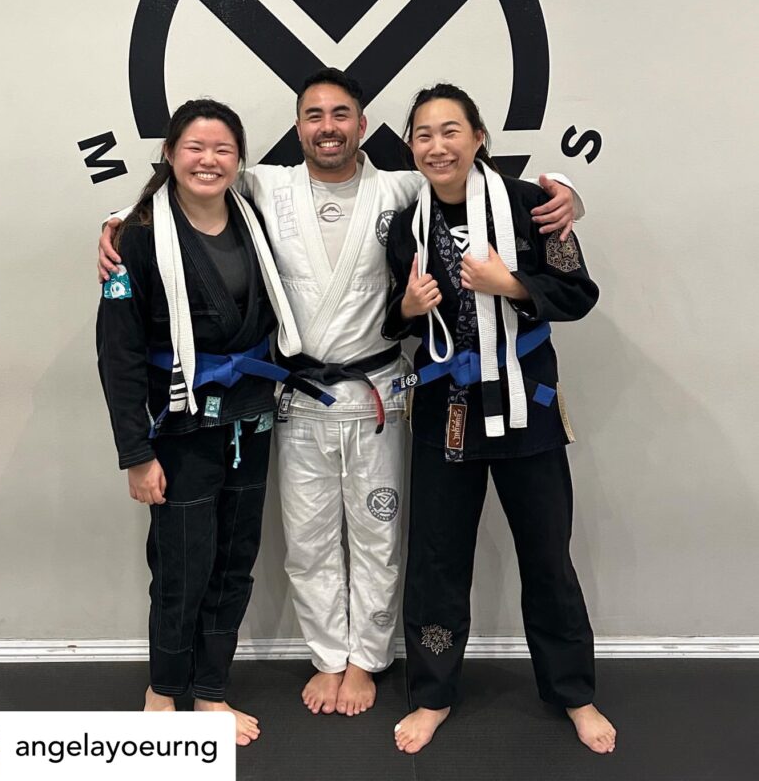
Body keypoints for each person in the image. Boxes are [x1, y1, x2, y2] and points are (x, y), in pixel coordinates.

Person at [98, 69, 580, 718]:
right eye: (314, 115)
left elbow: (477, 184)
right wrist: (119, 220)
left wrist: (570, 194)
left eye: (342, 114)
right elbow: (187, 192)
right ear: (297, 126)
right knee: (309, 538)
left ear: (363, 124)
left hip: (379, 388)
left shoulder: (405, 188)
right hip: (298, 398)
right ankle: (329, 655)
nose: (328, 126)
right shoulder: (262, 184)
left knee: (379, 531)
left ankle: (366, 659)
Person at [382, 83, 616, 755]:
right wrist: (405, 307)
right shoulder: (406, 227)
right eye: (423, 135)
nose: (438, 145)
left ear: (478, 136)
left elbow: (576, 293)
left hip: (528, 412)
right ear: (411, 148)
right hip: (443, 416)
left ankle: (574, 692)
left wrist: (510, 284)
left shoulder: (534, 205)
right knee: (435, 561)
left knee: (547, 556)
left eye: (450, 130)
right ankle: (431, 694)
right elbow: (387, 321)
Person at [97, 98, 322, 743]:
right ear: (168, 154)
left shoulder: (252, 220)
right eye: (194, 147)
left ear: (239, 160)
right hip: (181, 427)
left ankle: (212, 690)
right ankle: (164, 688)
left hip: (249, 418)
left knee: (234, 560)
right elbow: (119, 354)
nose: (209, 159)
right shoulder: (136, 240)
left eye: (223, 148)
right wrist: (136, 454)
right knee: (181, 564)